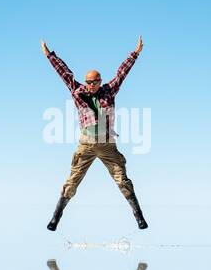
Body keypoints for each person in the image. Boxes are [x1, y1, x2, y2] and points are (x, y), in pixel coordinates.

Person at [40, 36, 148, 230]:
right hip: (87, 145)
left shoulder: (109, 91)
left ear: (100, 81)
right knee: (72, 182)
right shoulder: (77, 91)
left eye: (94, 82)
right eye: (88, 81)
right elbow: (64, 73)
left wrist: (135, 53)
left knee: (122, 179)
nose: (90, 85)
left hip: (107, 145)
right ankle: (55, 218)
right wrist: (50, 55)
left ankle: (139, 216)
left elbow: (122, 73)